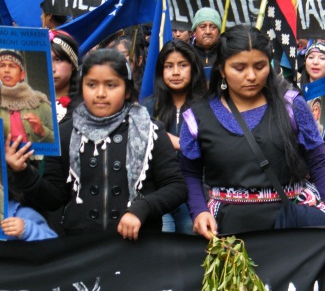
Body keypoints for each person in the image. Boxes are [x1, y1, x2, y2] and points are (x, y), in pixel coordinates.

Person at [178, 25, 325, 239]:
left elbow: (319, 162)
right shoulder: (197, 117)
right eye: (239, 68)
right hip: (228, 231)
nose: (252, 76)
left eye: (260, 66)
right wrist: (199, 211)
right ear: (222, 69)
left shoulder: (292, 106)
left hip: (292, 228)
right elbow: (190, 172)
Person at [7, 49, 188, 239]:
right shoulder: (65, 133)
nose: (101, 93)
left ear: (127, 91)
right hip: (82, 248)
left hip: (138, 246)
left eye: (111, 85)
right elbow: (54, 198)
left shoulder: (151, 131)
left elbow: (176, 187)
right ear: (82, 87)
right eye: (92, 85)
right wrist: (24, 172)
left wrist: (142, 208)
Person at [142, 40, 206, 235]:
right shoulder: (148, 107)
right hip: (159, 194)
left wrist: (178, 143)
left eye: (182, 65)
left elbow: (216, 148)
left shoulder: (207, 107)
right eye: (169, 66)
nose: (176, 72)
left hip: (195, 196)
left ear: (193, 69)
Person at [0, 50, 54, 143]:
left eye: (12, 66)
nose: (6, 70)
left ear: (22, 75)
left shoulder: (40, 103)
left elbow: (60, 143)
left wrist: (42, 131)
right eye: (2, 66)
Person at [49, 30, 79, 123]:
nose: (52, 68)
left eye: (58, 60)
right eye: (46, 59)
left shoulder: (87, 105)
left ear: (73, 64)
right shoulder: (25, 105)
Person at [191, 7, 222, 75]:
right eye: (202, 27)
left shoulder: (226, 53)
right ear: (194, 32)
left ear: (219, 32)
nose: (208, 32)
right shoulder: (187, 54)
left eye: (213, 27)